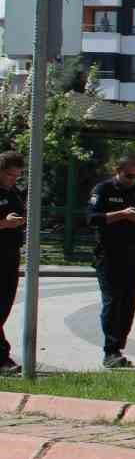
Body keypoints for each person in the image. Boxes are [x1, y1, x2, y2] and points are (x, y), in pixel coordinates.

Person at [87, 154, 135, 369]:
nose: (133, 179)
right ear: (118, 170)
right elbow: (92, 218)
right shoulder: (103, 189)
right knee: (113, 302)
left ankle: (118, 347)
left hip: (132, 254)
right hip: (108, 255)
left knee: (129, 303)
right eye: (129, 175)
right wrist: (121, 214)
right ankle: (110, 351)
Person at [0, 151, 26, 375]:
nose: (14, 180)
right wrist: (4, 224)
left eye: (18, 176)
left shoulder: (15, 192)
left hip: (11, 254)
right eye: (10, 175)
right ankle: (2, 358)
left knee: (5, 306)